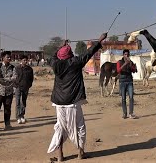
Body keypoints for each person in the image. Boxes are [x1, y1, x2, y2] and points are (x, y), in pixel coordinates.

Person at [47, 33, 107, 161]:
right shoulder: (75, 62)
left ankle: (60, 156)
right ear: (70, 54)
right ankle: (80, 153)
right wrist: (100, 40)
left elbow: (52, 57)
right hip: (73, 101)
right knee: (80, 127)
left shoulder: (55, 64)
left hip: (58, 102)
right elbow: (89, 52)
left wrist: (60, 46)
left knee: (60, 128)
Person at [0, 51, 17, 131]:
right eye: (7, 57)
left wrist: (7, 79)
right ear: (3, 58)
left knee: (7, 109)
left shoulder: (13, 67)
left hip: (9, 92)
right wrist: (8, 79)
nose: (9, 58)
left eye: (10, 57)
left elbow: (14, 77)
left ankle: (7, 124)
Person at [116, 49, 137, 119]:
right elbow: (118, 70)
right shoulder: (119, 62)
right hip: (122, 82)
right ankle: (124, 113)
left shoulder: (130, 62)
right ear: (123, 55)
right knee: (123, 98)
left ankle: (131, 113)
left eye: (127, 55)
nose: (126, 56)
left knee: (131, 97)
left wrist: (131, 65)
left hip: (129, 81)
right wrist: (125, 64)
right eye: (125, 54)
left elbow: (134, 71)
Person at [14, 54, 34, 124]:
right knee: (17, 102)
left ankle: (22, 115)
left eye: (26, 60)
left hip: (26, 87)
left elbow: (31, 79)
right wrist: (16, 85)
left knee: (23, 102)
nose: (25, 61)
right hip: (18, 87)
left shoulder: (30, 69)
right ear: (21, 61)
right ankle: (18, 117)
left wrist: (29, 85)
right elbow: (14, 77)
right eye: (24, 60)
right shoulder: (17, 68)